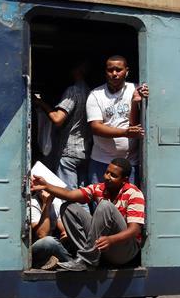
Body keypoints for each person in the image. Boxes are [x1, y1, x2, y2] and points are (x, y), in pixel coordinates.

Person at [30, 157, 144, 272]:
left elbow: (135, 230)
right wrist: (46, 186)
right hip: (103, 248)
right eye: (107, 172)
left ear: (124, 180)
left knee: (105, 206)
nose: (107, 177)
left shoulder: (134, 194)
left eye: (113, 175)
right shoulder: (100, 188)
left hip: (124, 250)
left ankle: (87, 260)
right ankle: (87, 259)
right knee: (68, 208)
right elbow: (70, 194)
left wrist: (111, 240)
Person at [85, 55, 149, 184]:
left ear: (127, 71)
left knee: (126, 201)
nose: (114, 73)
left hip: (129, 163)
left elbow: (133, 125)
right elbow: (96, 127)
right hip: (102, 161)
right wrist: (125, 133)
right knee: (100, 202)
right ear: (105, 72)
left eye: (118, 70)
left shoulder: (135, 89)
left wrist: (135, 102)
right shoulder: (96, 94)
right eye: (110, 70)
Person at [32, 62, 90, 189]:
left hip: (69, 151)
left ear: (78, 70)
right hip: (85, 150)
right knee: (81, 195)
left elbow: (58, 119)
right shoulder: (89, 91)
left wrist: (41, 103)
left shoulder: (73, 90)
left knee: (68, 194)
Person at [29, 189, 71, 270]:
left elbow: (64, 230)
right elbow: (41, 235)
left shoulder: (56, 202)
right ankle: (71, 262)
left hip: (53, 244)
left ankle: (50, 262)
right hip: (35, 247)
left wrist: (65, 235)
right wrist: (46, 203)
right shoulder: (33, 203)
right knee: (49, 242)